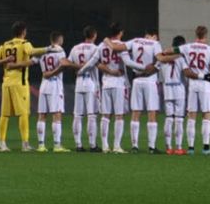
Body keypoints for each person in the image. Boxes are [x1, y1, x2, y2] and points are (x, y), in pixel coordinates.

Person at [0, 21, 54, 152]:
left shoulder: (5, 45)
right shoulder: (24, 44)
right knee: (23, 113)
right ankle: (25, 144)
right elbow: (32, 51)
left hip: (6, 83)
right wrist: (47, 49)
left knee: (4, 115)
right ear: (23, 32)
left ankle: (2, 143)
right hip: (20, 83)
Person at [167, 26, 210, 154]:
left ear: (196, 35)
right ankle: (206, 148)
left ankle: (190, 148)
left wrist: (166, 54)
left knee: (192, 116)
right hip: (206, 84)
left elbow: (169, 50)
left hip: (193, 84)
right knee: (207, 115)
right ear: (206, 36)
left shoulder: (187, 47)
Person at [84, 24, 133, 153]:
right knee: (119, 115)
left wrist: (81, 70)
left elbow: (94, 62)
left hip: (105, 83)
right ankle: (116, 146)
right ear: (121, 32)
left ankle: (105, 146)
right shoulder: (122, 45)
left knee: (105, 115)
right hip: (119, 83)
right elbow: (127, 63)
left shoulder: (101, 45)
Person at [127, 30, 164, 153]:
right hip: (150, 80)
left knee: (136, 112)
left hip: (137, 80)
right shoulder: (155, 44)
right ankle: (152, 147)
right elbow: (159, 62)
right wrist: (150, 70)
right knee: (152, 112)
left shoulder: (136, 42)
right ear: (153, 36)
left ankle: (134, 146)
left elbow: (128, 58)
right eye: (153, 36)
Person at [34, 33, 70, 152]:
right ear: (59, 40)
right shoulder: (60, 51)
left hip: (43, 85)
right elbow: (64, 64)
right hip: (54, 84)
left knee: (42, 115)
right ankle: (57, 145)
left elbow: (32, 61)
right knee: (57, 114)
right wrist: (55, 71)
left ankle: (41, 145)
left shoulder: (43, 51)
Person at [68, 27, 101, 152]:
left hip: (79, 83)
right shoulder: (95, 48)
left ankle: (78, 145)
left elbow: (67, 62)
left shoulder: (75, 48)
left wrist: (77, 66)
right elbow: (98, 64)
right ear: (94, 35)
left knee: (77, 115)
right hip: (91, 83)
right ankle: (92, 145)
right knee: (92, 115)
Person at [160, 35, 189, 154]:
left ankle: (168, 147)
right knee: (179, 119)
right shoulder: (181, 58)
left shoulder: (163, 57)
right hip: (179, 88)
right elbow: (186, 73)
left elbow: (155, 67)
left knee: (168, 118)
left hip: (167, 87)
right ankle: (178, 147)